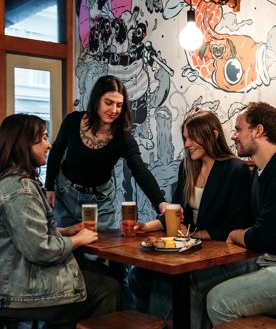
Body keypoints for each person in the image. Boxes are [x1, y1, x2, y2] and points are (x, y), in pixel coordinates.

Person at [128, 110, 252, 326]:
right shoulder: (187, 167)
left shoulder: (236, 169)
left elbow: (237, 224)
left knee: (169, 281)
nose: (187, 144)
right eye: (185, 138)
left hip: (224, 255)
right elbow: (176, 212)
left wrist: (195, 234)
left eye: (192, 138)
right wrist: (145, 227)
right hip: (190, 251)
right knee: (139, 274)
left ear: (213, 135)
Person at [0, 114, 122, 329]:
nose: (48, 145)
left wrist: (67, 232)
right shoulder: (20, 190)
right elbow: (39, 249)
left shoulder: (14, 182)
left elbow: (27, 233)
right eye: (43, 139)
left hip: (15, 278)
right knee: (108, 289)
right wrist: (77, 240)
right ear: (25, 144)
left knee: (98, 272)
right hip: (15, 291)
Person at [45, 75, 166, 230]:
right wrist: (49, 186)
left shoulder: (123, 137)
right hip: (65, 194)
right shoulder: (73, 121)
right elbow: (56, 152)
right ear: (97, 100)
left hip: (100, 200)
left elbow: (140, 170)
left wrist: (160, 202)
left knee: (99, 250)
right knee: (67, 247)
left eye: (119, 105)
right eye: (108, 103)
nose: (114, 110)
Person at [207, 102, 276, 325]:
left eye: (238, 129)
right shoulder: (259, 171)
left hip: (272, 261)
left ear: (258, 131)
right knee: (196, 280)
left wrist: (236, 234)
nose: (234, 136)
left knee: (219, 302)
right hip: (266, 258)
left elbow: (264, 236)